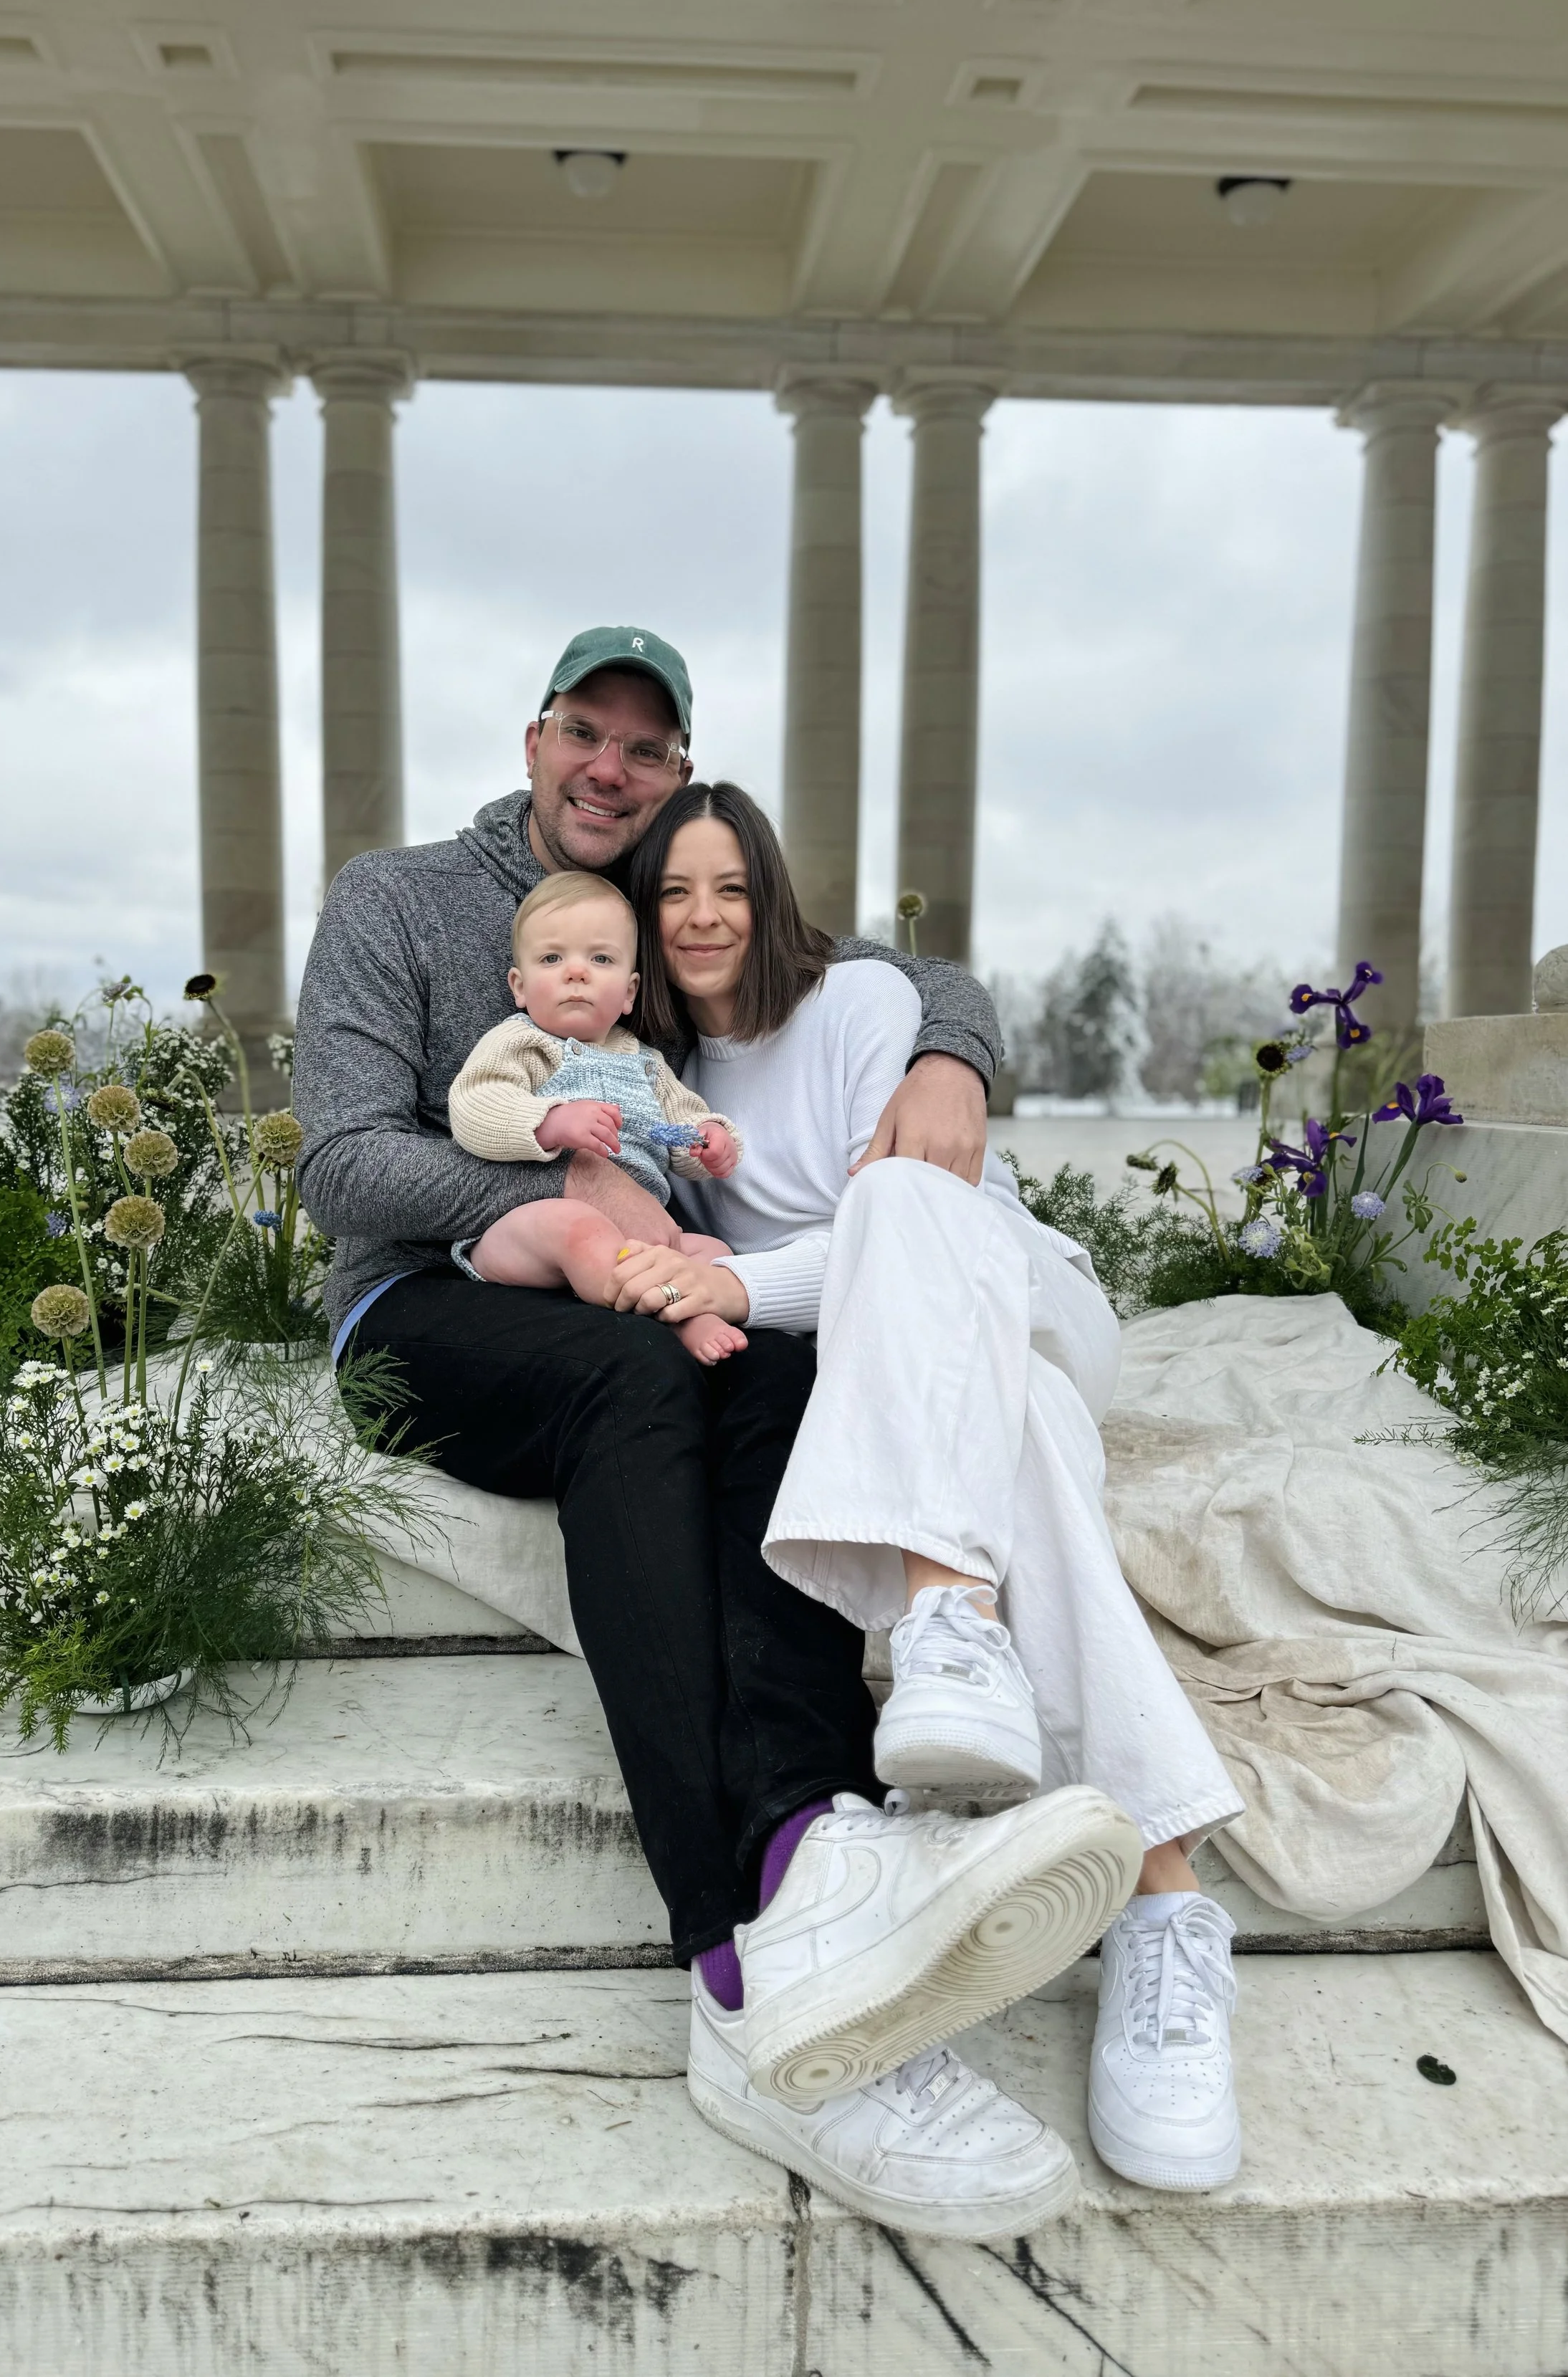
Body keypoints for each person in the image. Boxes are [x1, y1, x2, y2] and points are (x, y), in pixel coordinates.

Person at [295, 624, 1129, 2245]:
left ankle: (823, 1843)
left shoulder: (676, 906)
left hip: (659, 1291)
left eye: (648, 747)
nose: (612, 767)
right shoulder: (394, 900)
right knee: (642, 1380)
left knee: (780, 1374)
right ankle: (741, 1964)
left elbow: (872, 963)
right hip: (425, 1307)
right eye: (585, 734)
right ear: (534, 741)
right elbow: (340, 1163)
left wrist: (954, 1047)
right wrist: (571, 1207)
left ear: (679, 776)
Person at [612, 780, 1250, 2201]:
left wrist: (720, 1276)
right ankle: (1162, 1903)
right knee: (1018, 1460)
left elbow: (900, 1219)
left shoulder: (852, 1006)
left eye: (728, 885)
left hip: (1001, 1293)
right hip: (891, 1372)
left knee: (900, 1203)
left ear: (769, 895)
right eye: (672, 894)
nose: (703, 916)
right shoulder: (660, 1082)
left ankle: (949, 1618)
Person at [446, 869, 749, 1366]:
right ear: (519, 987)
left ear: (629, 993)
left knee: (714, 1251)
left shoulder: (646, 1062)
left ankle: (671, 1296)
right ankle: (672, 1316)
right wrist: (548, 1122)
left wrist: (706, 1139)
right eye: (552, 958)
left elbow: (669, 1128)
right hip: (531, 1227)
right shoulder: (522, 1040)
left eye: (600, 958)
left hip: (635, 1235)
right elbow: (474, 1103)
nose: (576, 972)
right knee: (580, 1227)